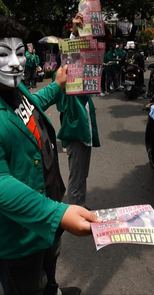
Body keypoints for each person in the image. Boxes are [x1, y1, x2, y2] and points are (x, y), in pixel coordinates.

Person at [0, 14, 99, 295]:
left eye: (20, 53)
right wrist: (58, 213)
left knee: (47, 267)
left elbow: (31, 107)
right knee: (26, 284)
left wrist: (56, 87)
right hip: (13, 235)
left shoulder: (12, 85)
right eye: (3, 54)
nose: (16, 62)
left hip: (43, 213)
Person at [57, 12, 101, 208]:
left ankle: (80, 207)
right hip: (77, 134)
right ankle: (74, 212)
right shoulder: (68, 84)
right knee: (76, 176)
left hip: (85, 134)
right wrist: (74, 34)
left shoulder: (84, 86)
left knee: (82, 174)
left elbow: (85, 59)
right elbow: (71, 60)